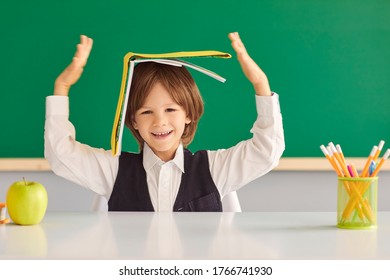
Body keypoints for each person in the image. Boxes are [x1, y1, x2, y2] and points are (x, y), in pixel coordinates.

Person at [44, 32, 285, 212]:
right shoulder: (114, 170)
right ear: (133, 121)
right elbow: (61, 155)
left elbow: (267, 152)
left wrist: (261, 85)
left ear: (188, 114)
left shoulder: (214, 168)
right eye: (147, 112)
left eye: (170, 109)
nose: (160, 121)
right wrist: (62, 87)